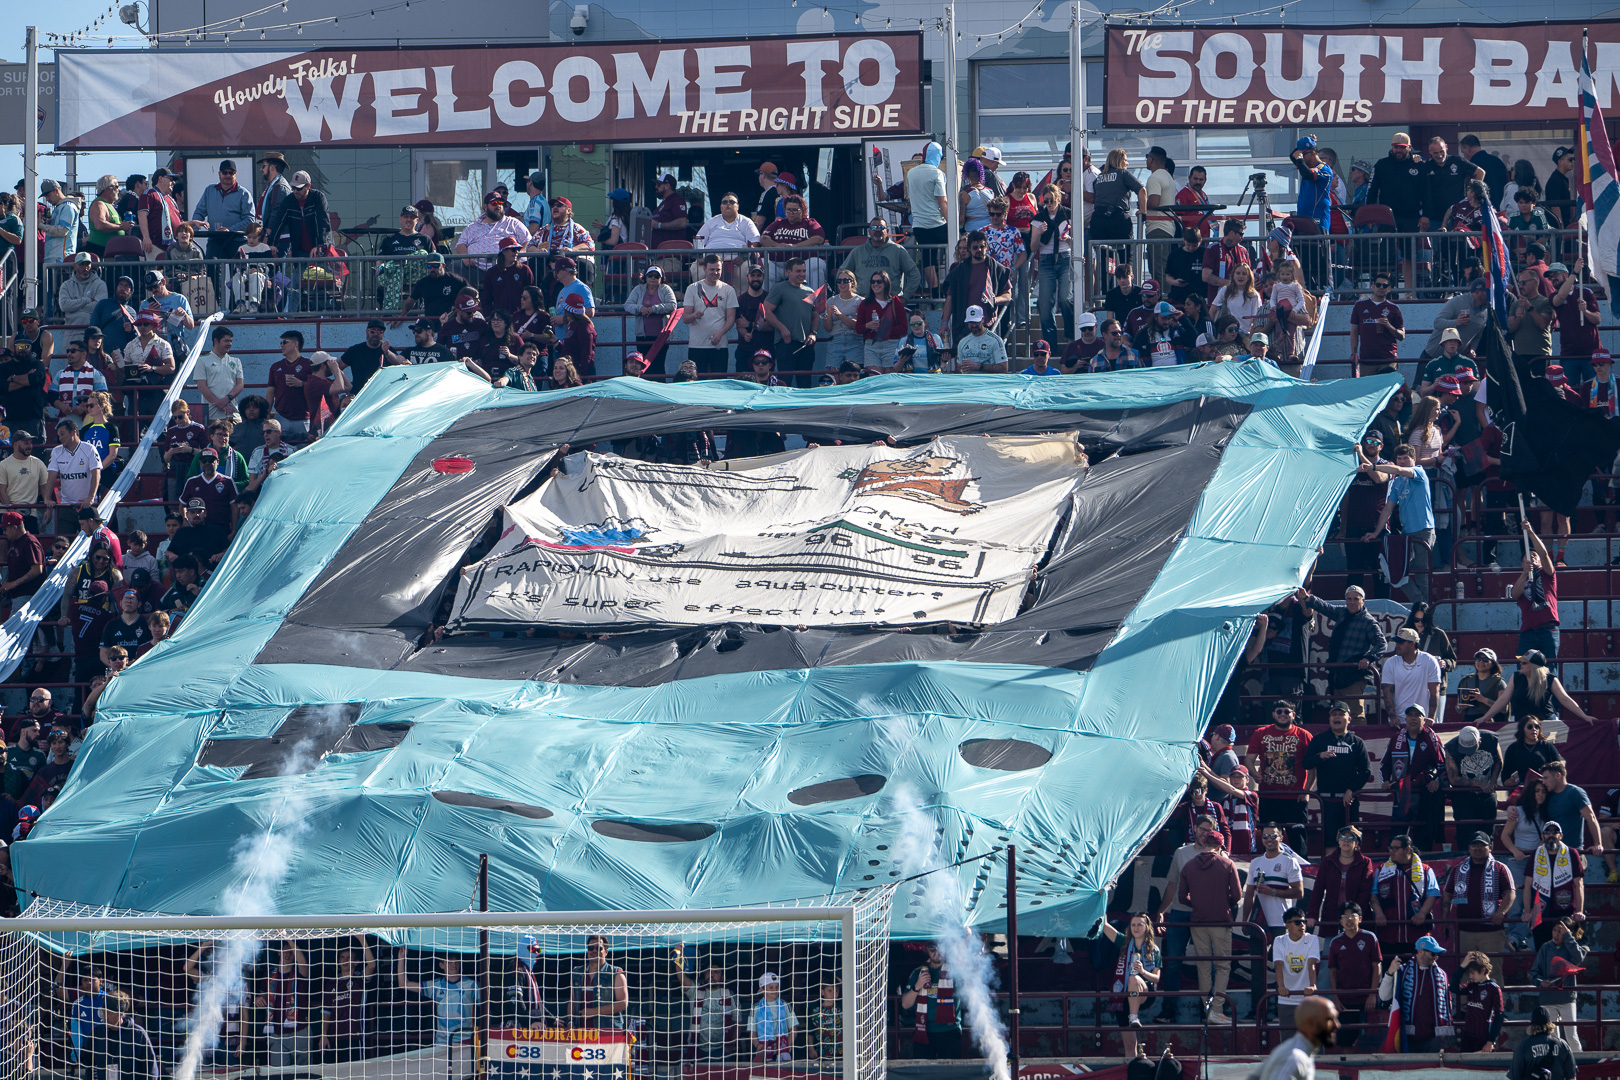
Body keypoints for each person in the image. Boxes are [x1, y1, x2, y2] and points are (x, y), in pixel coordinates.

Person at [1153, 814, 1218, 1022]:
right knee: (1172, 961)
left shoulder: (1219, 853)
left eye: (1209, 830)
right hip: (1180, 913)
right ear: (1195, 828)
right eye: (1201, 829)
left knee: (1207, 963)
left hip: (1205, 915)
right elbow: (1172, 884)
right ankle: (1169, 1010)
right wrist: (1162, 910)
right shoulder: (1181, 853)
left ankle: (1207, 1009)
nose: (1204, 833)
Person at [1176, 826, 1241, 1026]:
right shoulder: (1227, 864)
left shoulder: (1189, 865)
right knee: (1222, 966)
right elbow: (1237, 896)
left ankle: (1207, 1010)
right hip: (1221, 922)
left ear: (1204, 845)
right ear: (1220, 846)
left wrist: (1196, 903)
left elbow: (1181, 897)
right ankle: (1217, 1010)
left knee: (1203, 966)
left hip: (1198, 922)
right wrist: (1223, 903)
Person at [1296, 585, 1385, 720]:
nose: (1352, 602)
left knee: (1355, 713)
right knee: (1338, 711)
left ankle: (1359, 739)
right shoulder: (1342, 613)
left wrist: (1368, 658)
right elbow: (1324, 607)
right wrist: (1307, 597)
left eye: (1356, 599)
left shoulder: (1369, 622)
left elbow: (1382, 644)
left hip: (1354, 674)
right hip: (1337, 673)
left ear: (1363, 601)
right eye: (1349, 599)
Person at [1361, 445, 1432, 604]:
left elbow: (1399, 470)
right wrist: (1376, 532)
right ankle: (1421, 604)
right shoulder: (1397, 482)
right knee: (1396, 570)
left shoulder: (1419, 472)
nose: (1403, 461)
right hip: (1406, 532)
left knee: (1422, 572)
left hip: (1424, 529)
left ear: (1414, 459)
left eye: (1406, 458)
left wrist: (1373, 467)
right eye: (1399, 458)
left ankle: (1426, 612)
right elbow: (1387, 509)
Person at [1246, 702, 1312, 852]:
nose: (1283, 714)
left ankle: (1302, 869)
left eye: (1287, 712)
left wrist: (1306, 791)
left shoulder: (1304, 735)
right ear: (1273, 714)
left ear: (1293, 715)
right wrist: (1254, 774)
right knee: (1269, 837)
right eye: (1279, 711)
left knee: (1298, 839)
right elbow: (1248, 760)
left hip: (1295, 797)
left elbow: (1313, 766)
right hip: (1269, 796)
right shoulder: (1260, 733)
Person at [1302, 705, 1371, 844]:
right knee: (1330, 841)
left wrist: (1351, 790)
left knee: (1351, 840)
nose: (1337, 717)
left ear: (1349, 719)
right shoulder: (1319, 740)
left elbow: (1366, 771)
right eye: (1334, 714)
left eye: (1341, 714)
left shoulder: (1356, 742)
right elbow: (1306, 764)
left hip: (1349, 801)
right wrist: (1320, 756)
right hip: (1327, 800)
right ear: (1329, 719)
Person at [1442, 831, 1516, 958]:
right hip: (1464, 931)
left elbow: (1510, 892)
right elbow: (1447, 895)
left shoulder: (1500, 868)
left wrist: (1501, 913)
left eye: (1482, 845)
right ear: (1469, 848)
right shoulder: (1458, 869)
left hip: (1492, 931)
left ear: (1490, 848)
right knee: (1464, 972)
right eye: (1474, 845)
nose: (1477, 848)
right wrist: (1444, 920)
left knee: (1492, 972)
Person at [1474, 650, 1593, 727]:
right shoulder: (1516, 677)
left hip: (1546, 724)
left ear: (1534, 666)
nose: (1521, 664)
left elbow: (1565, 699)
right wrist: (1485, 718)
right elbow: (1503, 700)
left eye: (1525, 663)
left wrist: (1584, 716)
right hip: (1523, 725)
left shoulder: (1550, 679)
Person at [1376, 937, 1452, 1052]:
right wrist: (1390, 973)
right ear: (1420, 952)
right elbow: (1383, 996)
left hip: (1433, 1037)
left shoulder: (1441, 974)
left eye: (1438, 954)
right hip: (1406, 1036)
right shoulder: (1401, 971)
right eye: (1433, 953)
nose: (1436, 957)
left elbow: (1448, 1002)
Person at [1099, 911, 1162, 1045]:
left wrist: (1142, 971)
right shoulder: (1124, 942)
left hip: (1145, 992)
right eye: (1133, 925)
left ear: (1147, 927)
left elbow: (1156, 979)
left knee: (1134, 979)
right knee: (1129, 1043)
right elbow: (1105, 926)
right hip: (1124, 995)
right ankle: (1131, 1063)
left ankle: (1134, 1017)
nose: (1136, 928)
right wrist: (1102, 900)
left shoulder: (1154, 950)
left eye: (1140, 925)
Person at [397, 949, 482, 1045]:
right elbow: (403, 984)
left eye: (456, 962)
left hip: (466, 1041)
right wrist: (401, 958)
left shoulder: (472, 985)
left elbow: (487, 1011)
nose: (454, 965)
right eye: (449, 962)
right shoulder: (436, 985)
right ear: (441, 965)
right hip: (442, 1042)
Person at [1243, 995, 1337, 1080]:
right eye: (1330, 1019)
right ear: (1310, 1023)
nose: (1336, 1025)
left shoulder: (1288, 1050)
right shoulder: (1295, 1059)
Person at [1373, 834, 1439, 955]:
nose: (1391, 851)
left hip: (1416, 933)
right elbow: (1374, 894)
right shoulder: (1382, 869)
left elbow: (1432, 894)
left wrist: (1422, 914)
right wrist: (1378, 913)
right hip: (1388, 933)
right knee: (1389, 971)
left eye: (1395, 848)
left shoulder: (1425, 870)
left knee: (1416, 971)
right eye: (1390, 848)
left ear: (1407, 849)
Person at [1528, 917, 1588, 1048]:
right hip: (1548, 998)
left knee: (1572, 1035)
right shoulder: (1545, 948)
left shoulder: (1572, 947)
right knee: (1552, 1037)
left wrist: (1568, 938)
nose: (1556, 934)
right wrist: (1541, 982)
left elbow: (1579, 957)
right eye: (1554, 930)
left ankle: (1578, 1063)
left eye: (1560, 931)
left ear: (1569, 933)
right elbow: (1533, 973)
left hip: (1567, 998)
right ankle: (1555, 1063)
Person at [1244, 822, 1307, 943]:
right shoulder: (1255, 862)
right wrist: (1245, 920)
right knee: (1257, 960)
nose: (1269, 840)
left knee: (1280, 960)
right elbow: (1249, 894)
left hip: (1281, 921)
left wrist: (1272, 891)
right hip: (1258, 920)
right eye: (1265, 836)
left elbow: (1299, 892)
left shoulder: (1289, 861)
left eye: (1273, 836)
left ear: (1281, 838)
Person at [899, 943, 962, 1059]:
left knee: (951, 1074)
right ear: (927, 950)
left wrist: (966, 938)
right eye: (933, 948)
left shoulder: (956, 971)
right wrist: (917, 986)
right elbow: (905, 1004)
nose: (936, 952)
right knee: (922, 1073)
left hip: (949, 1031)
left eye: (941, 947)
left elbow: (968, 961)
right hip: (924, 1031)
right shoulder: (918, 972)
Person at [1028, 184, 1073, 346]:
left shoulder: (1068, 214)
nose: (1049, 204)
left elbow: (1076, 241)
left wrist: (1069, 240)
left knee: (1066, 298)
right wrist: (1038, 233)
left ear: (1058, 199)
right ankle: (1050, 344)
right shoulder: (1038, 219)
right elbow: (1033, 248)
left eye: (1052, 200)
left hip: (1064, 258)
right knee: (1045, 303)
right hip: (1046, 261)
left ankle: (1070, 336)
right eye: (1046, 201)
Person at [318, 938, 376, 1062]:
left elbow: (372, 965)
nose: (345, 961)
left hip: (354, 1038)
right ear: (338, 961)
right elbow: (326, 1012)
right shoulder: (331, 984)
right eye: (342, 957)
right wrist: (323, 1035)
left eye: (349, 958)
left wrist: (362, 939)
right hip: (334, 1038)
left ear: (356, 962)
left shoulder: (360, 980)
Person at [762, 257, 818, 380]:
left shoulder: (810, 291)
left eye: (804, 271)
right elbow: (767, 311)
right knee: (785, 381)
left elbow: (815, 316)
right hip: (786, 343)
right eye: (798, 271)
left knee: (805, 384)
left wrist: (813, 333)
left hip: (806, 344)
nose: (802, 274)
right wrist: (782, 328)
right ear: (788, 272)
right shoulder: (779, 288)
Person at [83, 988, 158, 1080]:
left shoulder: (138, 1034)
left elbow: (151, 1070)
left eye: (109, 1013)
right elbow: (90, 1066)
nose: (105, 1017)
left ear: (121, 1014)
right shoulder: (97, 1033)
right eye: (103, 1012)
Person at [683, 253, 739, 376]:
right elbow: (685, 318)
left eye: (718, 269)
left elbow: (731, 318)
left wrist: (720, 333)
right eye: (712, 269)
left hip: (720, 345)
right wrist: (693, 316)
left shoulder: (728, 290)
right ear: (704, 269)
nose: (715, 272)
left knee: (719, 381)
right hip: (697, 345)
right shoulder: (692, 288)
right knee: (697, 382)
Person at [840, 219, 922, 300]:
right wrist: (849, 296)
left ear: (887, 230)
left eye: (881, 227)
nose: (877, 230)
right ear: (869, 231)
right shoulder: (857, 252)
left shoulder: (898, 250)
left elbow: (914, 274)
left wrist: (905, 297)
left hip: (890, 302)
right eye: (874, 228)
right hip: (863, 302)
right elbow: (842, 273)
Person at [1511, 524, 1560, 657]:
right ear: (1522, 564)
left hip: (1548, 628)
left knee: (1550, 669)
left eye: (1534, 555)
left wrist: (1530, 532)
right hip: (1528, 630)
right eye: (1527, 556)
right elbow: (1515, 594)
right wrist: (1524, 574)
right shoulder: (1520, 580)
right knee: (1523, 669)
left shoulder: (1547, 574)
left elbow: (1544, 554)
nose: (1531, 557)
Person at [905, 143, 948, 291]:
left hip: (919, 225)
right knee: (957, 248)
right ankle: (950, 288)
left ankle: (934, 293)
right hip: (937, 222)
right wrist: (953, 224)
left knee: (928, 259)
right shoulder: (937, 174)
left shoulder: (911, 173)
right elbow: (942, 202)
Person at [1444, 727, 1502, 832]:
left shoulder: (1491, 739)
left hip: (1487, 793)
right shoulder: (1451, 748)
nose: (1468, 753)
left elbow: (1499, 761)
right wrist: (1478, 783)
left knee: (1488, 830)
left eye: (1471, 748)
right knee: (1465, 831)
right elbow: (1453, 779)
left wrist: (1493, 781)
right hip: (1463, 795)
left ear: (1480, 741)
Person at [1273, 906, 1321, 1032]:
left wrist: (1313, 986)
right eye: (1297, 922)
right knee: (1288, 1041)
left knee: (1313, 1041)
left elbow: (1311, 964)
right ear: (1287, 925)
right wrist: (1281, 987)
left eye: (1304, 922)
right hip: (1286, 999)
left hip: (1309, 999)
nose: (1302, 925)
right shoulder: (1279, 941)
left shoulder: (1312, 939)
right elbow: (1278, 966)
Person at [624, 267, 678, 377]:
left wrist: (654, 309)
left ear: (661, 278)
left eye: (656, 276)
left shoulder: (666, 289)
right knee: (643, 366)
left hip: (661, 337)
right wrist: (640, 308)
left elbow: (672, 305)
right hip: (642, 336)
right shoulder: (638, 289)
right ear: (645, 277)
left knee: (659, 366)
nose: (653, 278)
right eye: (650, 275)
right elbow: (627, 305)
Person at [1348, 275, 1404, 379]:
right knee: (1367, 391)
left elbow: (1401, 336)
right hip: (1367, 359)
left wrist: (1388, 325)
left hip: (1388, 358)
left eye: (1385, 285)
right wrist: (1353, 353)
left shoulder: (1394, 308)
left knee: (1387, 391)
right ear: (1373, 286)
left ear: (1389, 289)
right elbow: (1354, 332)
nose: (1381, 287)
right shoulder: (1359, 306)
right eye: (1378, 285)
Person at [1509, 1006, 1577, 1080]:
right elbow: (1572, 1077)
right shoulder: (1563, 1045)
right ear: (1550, 1023)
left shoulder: (1524, 1045)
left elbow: (1515, 1076)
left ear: (1531, 1024)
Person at [749, 972, 798, 1063]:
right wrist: (757, 1045)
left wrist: (786, 1047)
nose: (775, 990)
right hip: (764, 1052)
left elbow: (794, 1030)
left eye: (777, 987)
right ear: (762, 989)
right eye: (771, 987)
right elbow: (752, 1034)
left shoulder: (785, 1005)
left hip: (784, 1052)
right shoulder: (755, 1008)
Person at [57, 252, 107, 331]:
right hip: (70, 329)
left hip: (92, 331)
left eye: (87, 264)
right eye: (82, 264)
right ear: (75, 266)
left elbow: (99, 307)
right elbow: (64, 306)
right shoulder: (66, 285)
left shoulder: (100, 284)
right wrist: (87, 300)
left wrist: (73, 308)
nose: (85, 267)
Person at [1456, 649, 1506, 725]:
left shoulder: (1499, 682)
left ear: (1493, 664)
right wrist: (1461, 707)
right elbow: (1458, 708)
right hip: (1469, 720)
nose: (1481, 662)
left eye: (1485, 660)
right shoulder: (1466, 681)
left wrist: (1482, 699)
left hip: (1491, 721)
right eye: (1478, 659)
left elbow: (1503, 709)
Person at [953, 306, 1009, 372]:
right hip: (968, 381)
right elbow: (959, 368)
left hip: (987, 381)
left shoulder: (995, 340)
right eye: (971, 322)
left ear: (983, 319)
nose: (974, 325)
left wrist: (979, 366)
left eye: (976, 322)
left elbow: (1004, 369)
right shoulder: (963, 342)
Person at [0, 431, 47, 509]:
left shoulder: (38, 463)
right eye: (26, 443)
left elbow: (44, 486)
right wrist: (11, 510)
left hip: (31, 512)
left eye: (30, 443)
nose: (30, 446)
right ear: (15, 445)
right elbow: (1, 490)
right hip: (8, 513)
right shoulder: (3, 465)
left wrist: (47, 504)